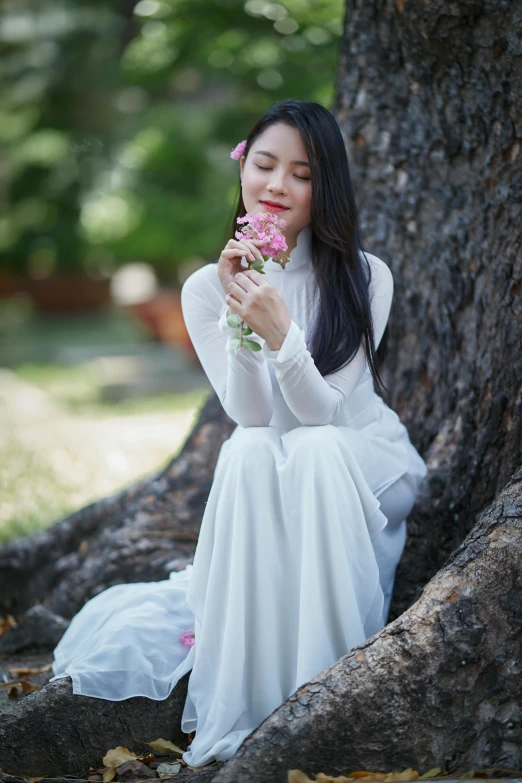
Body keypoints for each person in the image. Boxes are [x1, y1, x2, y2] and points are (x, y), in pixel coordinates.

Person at [50, 99, 428, 769]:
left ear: (327, 186)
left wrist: (283, 333)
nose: (277, 185)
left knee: (312, 448)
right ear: (243, 169)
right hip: (279, 460)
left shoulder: (366, 276)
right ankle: (259, 698)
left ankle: (327, 692)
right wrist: (241, 317)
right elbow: (252, 415)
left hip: (361, 464)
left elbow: (322, 414)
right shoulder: (205, 287)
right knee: (250, 448)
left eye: (302, 173)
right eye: (264, 165)